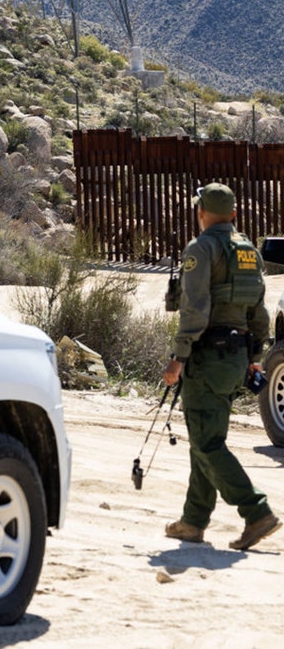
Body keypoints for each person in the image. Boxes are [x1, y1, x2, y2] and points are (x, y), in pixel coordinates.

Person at [162, 182, 279, 551]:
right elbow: (259, 311)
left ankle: (256, 510)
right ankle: (193, 521)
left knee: (207, 442)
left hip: (208, 357)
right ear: (232, 215)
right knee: (206, 437)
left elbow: (194, 309)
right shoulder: (248, 252)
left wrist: (178, 357)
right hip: (237, 356)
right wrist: (255, 356)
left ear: (200, 213)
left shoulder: (201, 248)